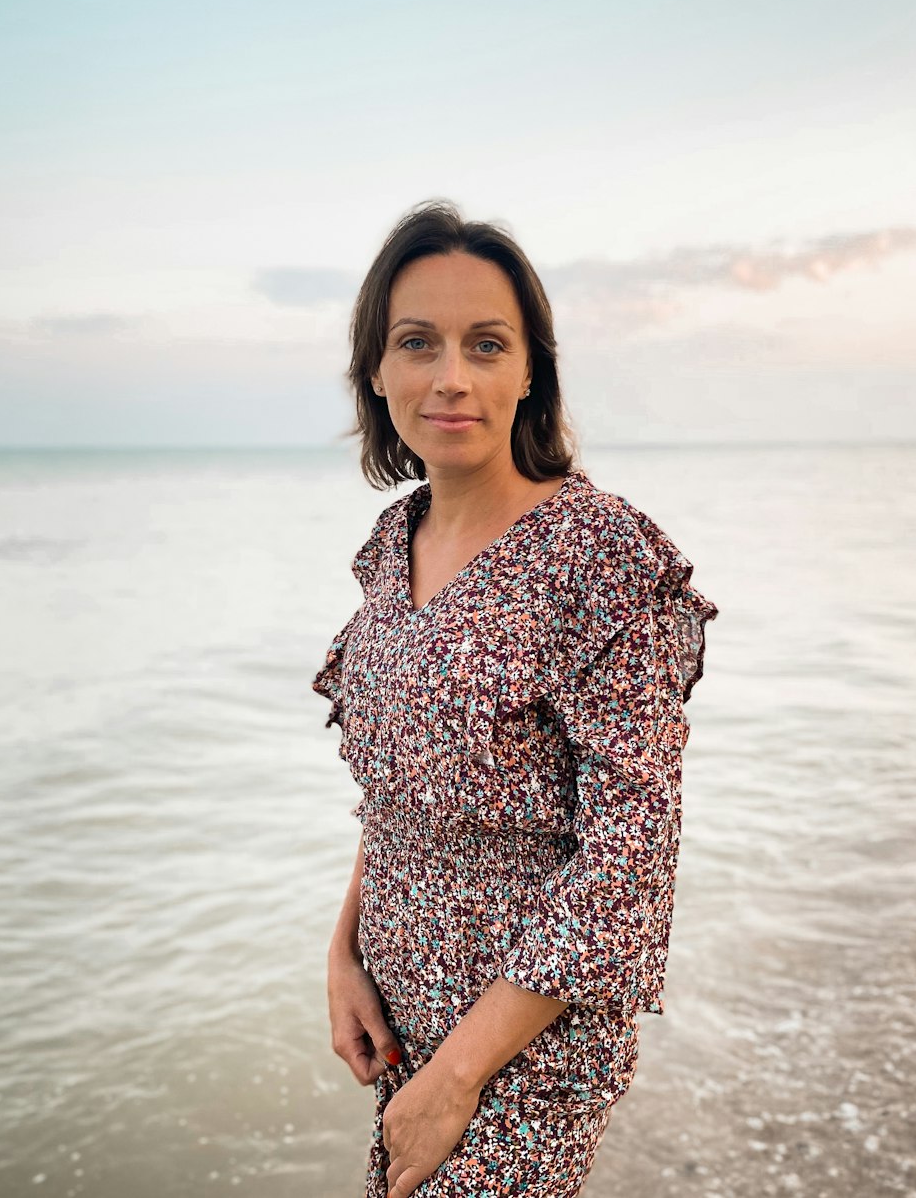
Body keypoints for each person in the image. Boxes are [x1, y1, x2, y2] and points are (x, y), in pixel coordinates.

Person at [312, 200, 718, 1198]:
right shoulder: (390, 547)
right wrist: (341, 955)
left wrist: (456, 1077)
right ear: (377, 368)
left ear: (528, 369)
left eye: (484, 343)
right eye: (418, 342)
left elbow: (630, 857)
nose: (450, 373)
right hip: (403, 1030)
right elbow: (399, 793)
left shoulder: (599, 554)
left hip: (518, 1064)